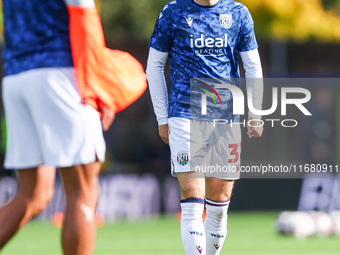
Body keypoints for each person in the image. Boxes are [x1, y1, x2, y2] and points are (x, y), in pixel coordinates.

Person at [146, 0, 263, 254]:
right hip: (184, 114)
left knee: (219, 206)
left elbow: (252, 65)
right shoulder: (173, 11)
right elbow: (153, 66)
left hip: (226, 118)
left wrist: (255, 110)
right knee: (192, 201)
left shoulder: (238, 13)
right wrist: (162, 117)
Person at [0, 0, 114, 254]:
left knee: (33, 194)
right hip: (59, 73)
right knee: (83, 190)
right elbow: (84, 15)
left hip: (15, 75)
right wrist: (97, 83)